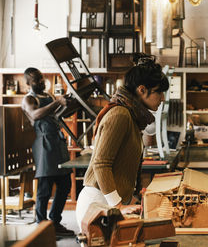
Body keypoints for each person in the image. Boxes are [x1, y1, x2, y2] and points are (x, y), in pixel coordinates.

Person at [75, 57, 169, 230]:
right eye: (159, 92)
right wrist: (118, 205)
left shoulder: (132, 116)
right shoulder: (120, 114)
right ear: (142, 90)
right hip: (100, 204)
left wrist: (129, 198)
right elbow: (101, 164)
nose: (162, 98)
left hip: (110, 202)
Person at [21, 67, 75, 236]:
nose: (41, 82)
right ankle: (41, 226)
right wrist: (58, 102)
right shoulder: (29, 99)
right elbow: (35, 115)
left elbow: (58, 115)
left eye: (42, 78)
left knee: (65, 183)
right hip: (43, 144)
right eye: (37, 80)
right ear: (29, 83)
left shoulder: (50, 96)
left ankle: (54, 221)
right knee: (44, 187)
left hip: (58, 143)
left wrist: (69, 104)